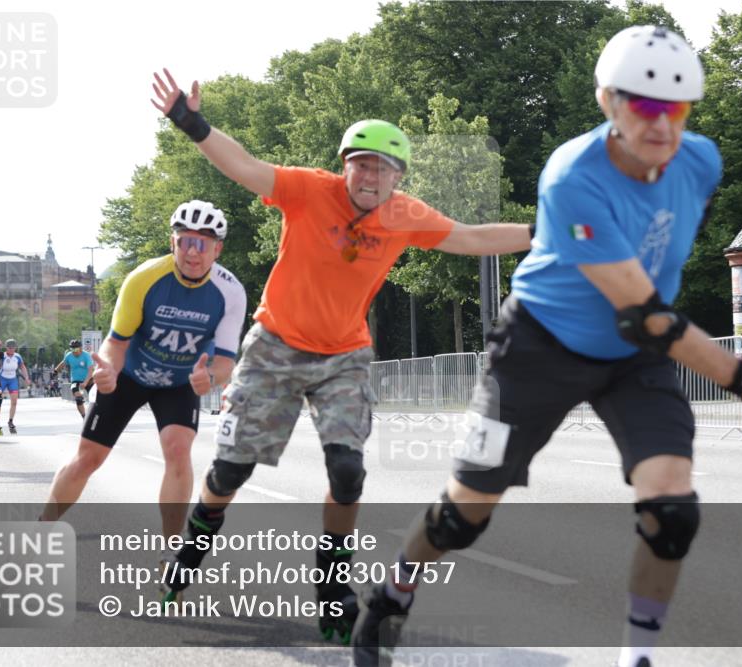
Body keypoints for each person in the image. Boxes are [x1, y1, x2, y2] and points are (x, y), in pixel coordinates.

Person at [350, 26, 742, 667]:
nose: (662, 124)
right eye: (644, 105)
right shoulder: (572, 177)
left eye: (677, 108)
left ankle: (638, 657)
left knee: (672, 511)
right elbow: (648, 316)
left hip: (631, 358)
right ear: (608, 101)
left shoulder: (701, 162)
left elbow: (657, 277)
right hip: (539, 347)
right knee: (465, 514)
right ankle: (393, 593)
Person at [149, 68, 533, 643]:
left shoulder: (405, 215)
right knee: (230, 471)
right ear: (344, 165)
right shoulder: (309, 190)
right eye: (362, 165)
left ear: (398, 177)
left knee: (348, 472)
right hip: (276, 344)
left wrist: (545, 232)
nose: (371, 177)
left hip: (345, 355)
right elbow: (245, 166)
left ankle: (333, 587)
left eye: (384, 168)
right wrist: (190, 121)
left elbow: (473, 238)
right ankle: (192, 547)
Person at [40, 200, 247, 562]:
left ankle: (171, 552)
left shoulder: (231, 292)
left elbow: (227, 361)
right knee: (88, 459)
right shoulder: (144, 278)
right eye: (185, 241)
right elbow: (116, 342)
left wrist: (211, 377)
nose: (193, 252)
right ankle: (43, 526)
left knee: (178, 451)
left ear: (218, 249)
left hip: (180, 381)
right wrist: (107, 371)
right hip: (130, 375)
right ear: (172, 243)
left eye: (203, 244)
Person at [53, 340, 94, 418]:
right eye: (72, 349)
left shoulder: (86, 356)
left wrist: (85, 382)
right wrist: (55, 371)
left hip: (88, 379)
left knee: (95, 399)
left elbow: (90, 371)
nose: (74, 351)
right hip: (76, 380)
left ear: (81, 348)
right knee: (78, 399)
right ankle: (84, 417)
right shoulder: (69, 355)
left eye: (76, 349)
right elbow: (63, 363)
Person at [0, 339, 31, 433]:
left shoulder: (17, 356)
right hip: (2, 378)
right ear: (6, 348)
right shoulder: (2, 356)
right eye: (9, 348)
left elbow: (22, 367)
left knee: (14, 402)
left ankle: (10, 421)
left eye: (13, 348)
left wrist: (26, 378)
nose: (11, 349)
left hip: (12, 379)